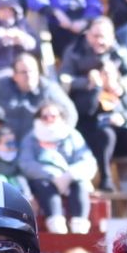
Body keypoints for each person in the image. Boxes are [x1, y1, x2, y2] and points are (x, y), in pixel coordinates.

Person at [61, 16, 127, 192]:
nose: (99, 41)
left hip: (118, 117)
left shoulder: (119, 52)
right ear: (87, 35)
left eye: (104, 37)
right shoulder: (74, 51)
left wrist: (119, 86)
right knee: (105, 134)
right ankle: (106, 178)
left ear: (112, 37)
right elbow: (64, 80)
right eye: (95, 36)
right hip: (89, 118)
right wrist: (90, 83)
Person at [19, 100, 97, 234]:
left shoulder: (72, 135)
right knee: (44, 185)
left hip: (71, 177)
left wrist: (69, 175)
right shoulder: (30, 138)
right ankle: (55, 222)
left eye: (53, 116)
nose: (49, 119)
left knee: (80, 184)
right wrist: (52, 175)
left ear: (61, 117)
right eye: (45, 116)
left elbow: (88, 161)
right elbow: (25, 163)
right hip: (43, 179)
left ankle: (80, 225)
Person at [0, 52, 76, 145]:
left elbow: (71, 113)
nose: (29, 75)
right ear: (14, 76)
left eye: (32, 71)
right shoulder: (3, 87)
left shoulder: (49, 89)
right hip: (9, 146)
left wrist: (56, 136)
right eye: (24, 72)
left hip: (39, 146)